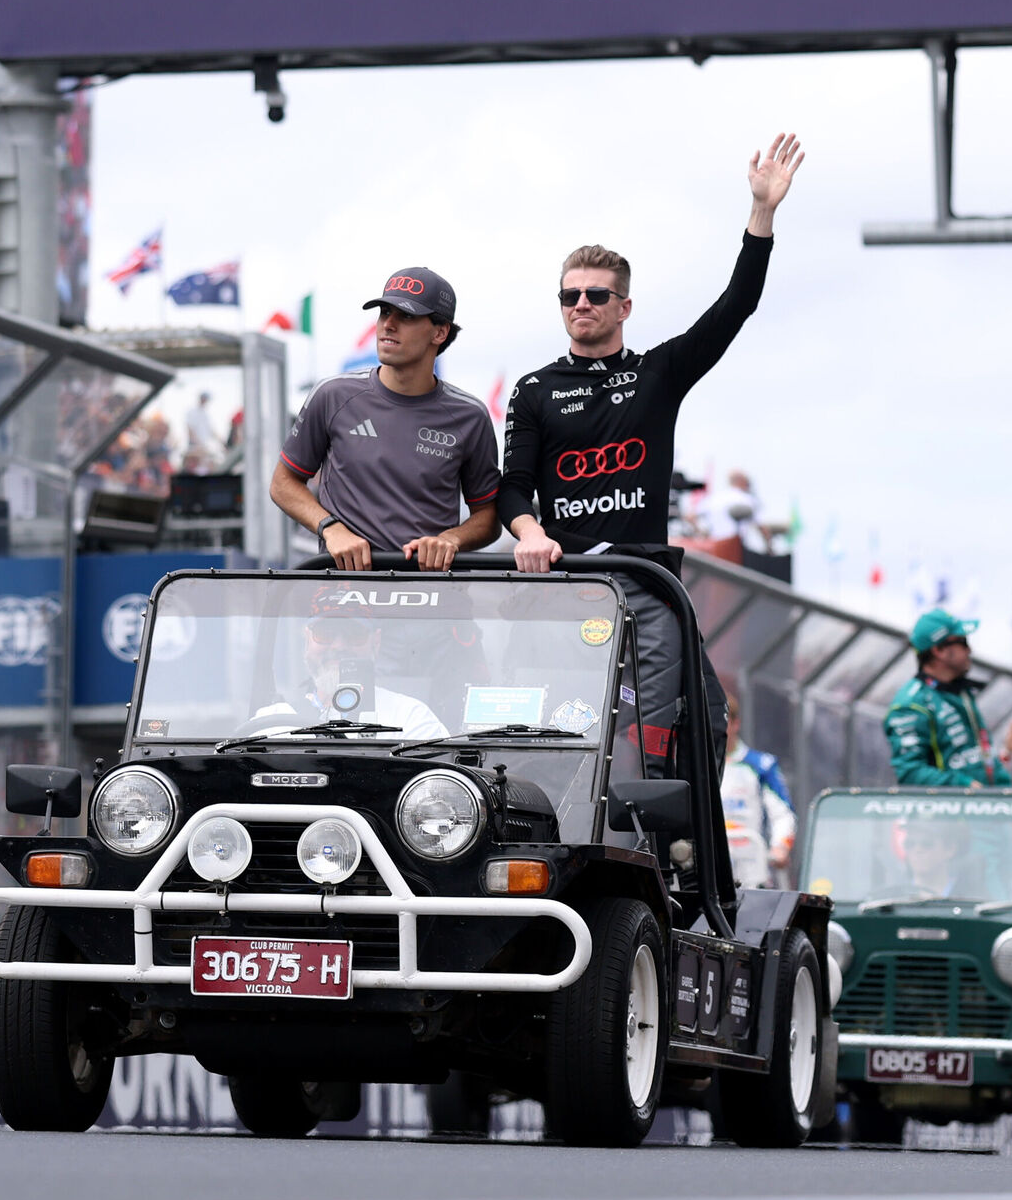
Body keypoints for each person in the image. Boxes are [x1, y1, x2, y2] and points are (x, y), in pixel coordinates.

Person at [499, 134, 804, 570]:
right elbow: (512, 487)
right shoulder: (533, 389)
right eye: (570, 296)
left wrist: (763, 211)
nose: (581, 303)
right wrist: (530, 533)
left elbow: (738, 303)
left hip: (643, 577)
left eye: (597, 294)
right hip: (564, 577)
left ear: (624, 307)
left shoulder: (658, 373)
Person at [270, 266, 500, 574]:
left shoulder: (470, 415)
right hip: (343, 596)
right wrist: (329, 527)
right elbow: (282, 483)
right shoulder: (333, 394)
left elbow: (488, 517)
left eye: (406, 316)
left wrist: (450, 540)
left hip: (433, 598)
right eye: (384, 313)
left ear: (440, 332)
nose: (388, 325)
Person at [243, 595, 448, 744]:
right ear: (307, 642)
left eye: (353, 634)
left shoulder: (410, 717)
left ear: (375, 643)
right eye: (325, 634)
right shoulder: (270, 722)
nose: (339, 646)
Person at [885, 609, 1012, 787]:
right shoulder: (912, 703)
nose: (969, 650)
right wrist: (963, 786)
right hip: (949, 813)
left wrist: (1005, 754)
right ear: (938, 650)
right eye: (962, 642)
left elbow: (976, 762)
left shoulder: (961, 693)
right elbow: (910, 773)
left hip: (986, 809)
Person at [720, 702, 796, 891]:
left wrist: (780, 847)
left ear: (735, 723)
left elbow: (783, 814)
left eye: (723, 722)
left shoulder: (761, 765)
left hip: (753, 867)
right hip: (712, 867)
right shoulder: (699, 766)